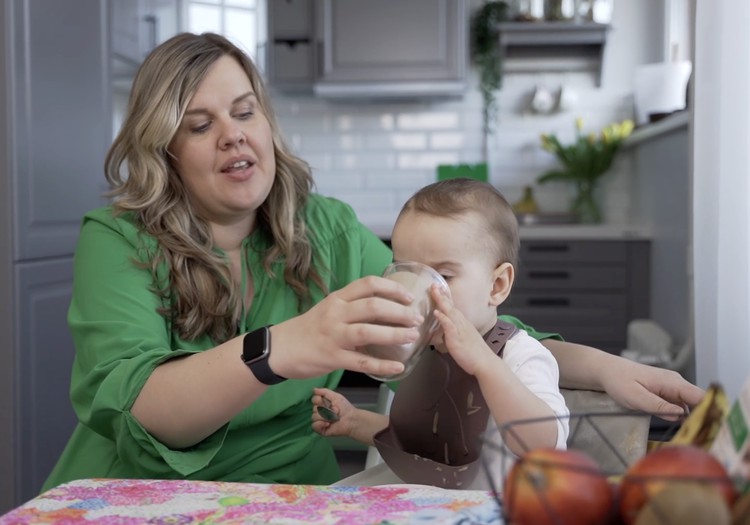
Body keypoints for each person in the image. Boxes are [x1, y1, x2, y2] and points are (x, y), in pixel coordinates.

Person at [43, 32, 703, 492]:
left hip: (298, 496)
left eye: (246, 112)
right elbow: (144, 408)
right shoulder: (118, 240)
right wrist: (283, 346)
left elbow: (456, 324)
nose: (234, 134)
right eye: (199, 124)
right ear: (166, 149)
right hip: (143, 491)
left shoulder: (326, 229)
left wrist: (607, 367)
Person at [312, 178, 569, 489]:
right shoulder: (426, 354)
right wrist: (355, 422)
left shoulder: (521, 356)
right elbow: (424, 444)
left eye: (444, 275)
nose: (420, 293)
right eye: (407, 272)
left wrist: (485, 365)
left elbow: (542, 445)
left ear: (497, 285)